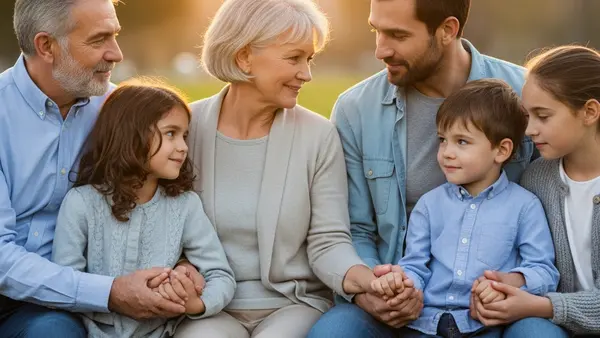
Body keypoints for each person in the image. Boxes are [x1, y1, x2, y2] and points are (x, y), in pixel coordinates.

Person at [308, 0, 535, 336]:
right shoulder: (356, 110)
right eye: (376, 31)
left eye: (397, 35)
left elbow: (551, 205)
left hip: (496, 304)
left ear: (447, 30)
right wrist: (373, 291)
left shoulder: (526, 95)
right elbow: (356, 228)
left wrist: (516, 288)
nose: (380, 50)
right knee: (334, 332)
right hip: (395, 297)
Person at [0, 1, 203, 337]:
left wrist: (180, 264)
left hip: (61, 309)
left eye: (116, 36)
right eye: (99, 40)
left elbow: (159, 197)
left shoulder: (120, 114)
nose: (117, 54)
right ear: (46, 46)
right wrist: (110, 293)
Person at [175, 0, 377, 337]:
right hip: (207, 305)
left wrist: (368, 280)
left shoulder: (318, 136)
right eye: (294, 58)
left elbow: (328, 241)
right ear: (244, 57)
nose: (307, 73)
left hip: (293, 304)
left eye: (309, 59)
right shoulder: (184, 129)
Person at [371, 79, 559, 337]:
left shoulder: (525, 206)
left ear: (501, 150)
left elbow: (544, 270)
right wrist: (402, 283)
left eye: (461, 142)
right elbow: (415, 265)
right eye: (443, 140)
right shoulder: (429, 204)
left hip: (487, 325)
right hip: (426, 324)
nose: (446, 152)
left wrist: (510, 282)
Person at [51, 80, 236, 338]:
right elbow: (66, 281)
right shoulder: (81, 203)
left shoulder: (185, 205)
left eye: (185, 136)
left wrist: (196, 304)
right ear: (132, 135)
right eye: (171, 133)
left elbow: (220, 275)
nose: (183, 147)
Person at [471, 46, 600, 337]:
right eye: (527, 115)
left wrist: (540, 306)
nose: (529, 129)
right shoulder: (536, 178)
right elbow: (533, 262)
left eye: (543, 116)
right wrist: (506, 283)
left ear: (590, 112)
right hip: (554, 326)